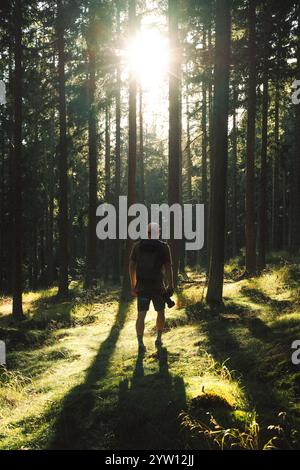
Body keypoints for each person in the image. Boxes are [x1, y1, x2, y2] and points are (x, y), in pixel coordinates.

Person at [129, 222, 174, 353]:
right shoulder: (164, 246)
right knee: (160, 312)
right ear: (158, 233)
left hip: (142, 287)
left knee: (141, 315)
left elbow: (131, 266)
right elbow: (168, 267)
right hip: (158, 287)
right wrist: (170, 285)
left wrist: (133, 285)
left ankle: (140, 342)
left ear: (146, 232)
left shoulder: (137, 246)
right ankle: (159, 339)